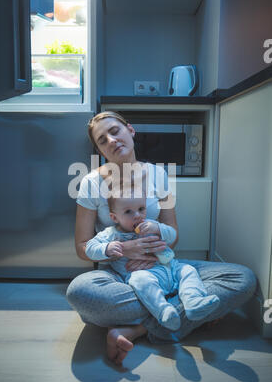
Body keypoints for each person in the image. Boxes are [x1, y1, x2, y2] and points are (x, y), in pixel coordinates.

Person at [66, 111, 257, 366]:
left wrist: (154, 246)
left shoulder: (160, 175)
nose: (111, 140)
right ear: (100, 149)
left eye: (115, 131)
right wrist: (125, 249)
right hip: (121, 273)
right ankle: (188, 308)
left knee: (242, 278)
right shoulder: (91, 182)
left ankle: (136, 329)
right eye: (102, 140)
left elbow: (173, 234)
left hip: (165, 266)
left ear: (130, 130)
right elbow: (82, 247)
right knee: (80, 292)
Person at [85, 191, 220, 331]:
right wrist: (107, 248)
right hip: (142, 274)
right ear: (114, 217)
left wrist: (159, 228)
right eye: (128, 212)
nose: (137, 215)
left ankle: (193, 302)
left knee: (188, 270)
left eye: (141, 209)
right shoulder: (111, 234)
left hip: (170, 269)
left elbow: (172, 236)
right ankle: (164, 311)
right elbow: (89, 248)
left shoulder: (151, 225)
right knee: (140, 280)